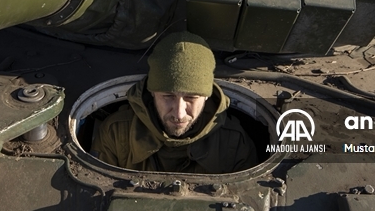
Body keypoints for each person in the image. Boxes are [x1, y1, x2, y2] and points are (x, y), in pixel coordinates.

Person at [91, 32, 258, 173]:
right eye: (168, 96)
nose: (179, 113)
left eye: (191, 98)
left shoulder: (233, 143)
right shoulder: (117, 133)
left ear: (206, 96)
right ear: (152, 92)